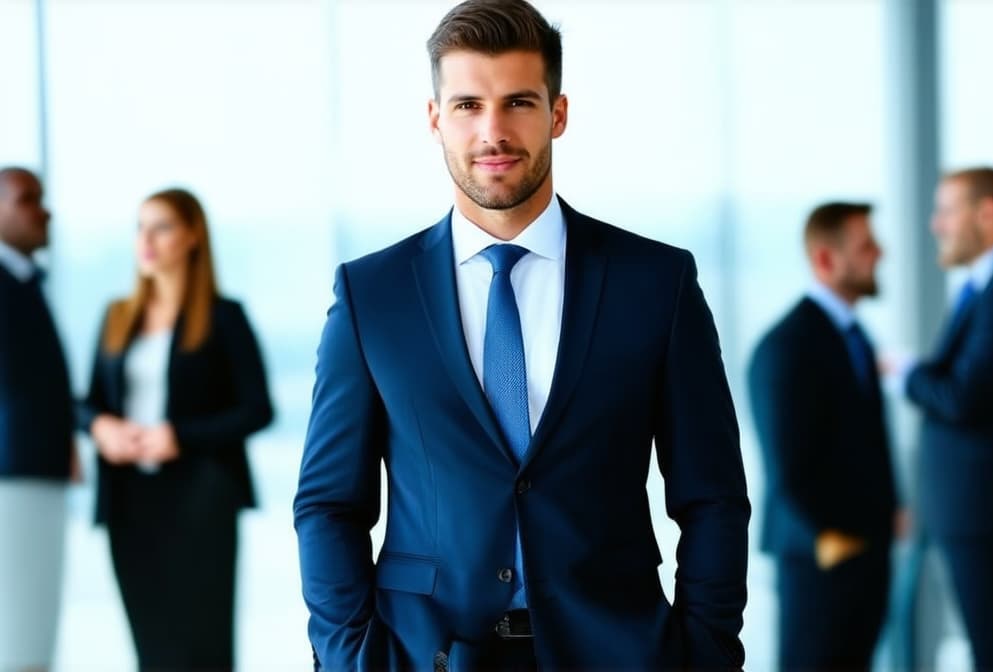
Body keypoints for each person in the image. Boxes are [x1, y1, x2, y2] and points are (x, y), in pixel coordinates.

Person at [293, 1, 749, 670]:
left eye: (519, 103)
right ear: (435, 118)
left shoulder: (655, 284)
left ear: (557, 113)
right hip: (428, 653)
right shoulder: (373, 296)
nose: (493, 130)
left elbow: (712, 495)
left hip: (618, 649)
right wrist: (350, 657)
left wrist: (703, 652)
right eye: (468, 105)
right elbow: (330, 503)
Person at [79, 187, 273, 669]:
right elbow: (88, 403)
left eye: (161, 226)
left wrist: (179, 436)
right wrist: (101, 427)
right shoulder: (117, 316)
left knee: (202, 645)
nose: (145, 239)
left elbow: (257, 409)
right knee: (152, 644)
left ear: (191, 236)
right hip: (129, 500)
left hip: (201, 499)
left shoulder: (224, 317)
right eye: (140, 227)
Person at [748, 202, 898, 670]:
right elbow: (789, 471)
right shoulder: (787, 346)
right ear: (827, 260)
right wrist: (846, 539)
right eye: (866, 246)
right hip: (820, 558)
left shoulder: (853, 336)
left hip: (864, 553)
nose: (880, 253)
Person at [900, 167, 993, 669]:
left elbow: (965, 396)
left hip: (990, 517)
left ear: (988, 212)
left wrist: (907, 373)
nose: (935, 225)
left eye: (947, 210)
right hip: (975, 515)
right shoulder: (987, 287)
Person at [0, 167, 77, 671]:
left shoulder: (26, 281)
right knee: (20, 632)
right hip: (14, 473)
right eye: (28, 199)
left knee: (33, 625)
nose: (42, 210)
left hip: (38, 470)